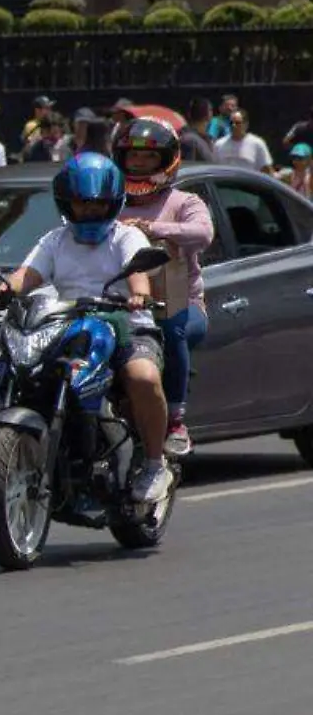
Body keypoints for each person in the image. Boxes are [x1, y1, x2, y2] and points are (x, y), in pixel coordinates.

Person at [0, 153, 174, 503]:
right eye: (82, 203)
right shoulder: (55, 240)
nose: (90, 211)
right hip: (69, 326)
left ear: (112, 203)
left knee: (143, 377)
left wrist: (138, 296)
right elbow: (26, 276)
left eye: (97, 204)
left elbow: (139, 277)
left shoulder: (126, 238)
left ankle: (156, 463)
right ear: (67, 203)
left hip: (127, 325)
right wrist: (2, 292)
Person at [114, 117, 215, 459]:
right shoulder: (109, 202)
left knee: (171, 328)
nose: (139, 164)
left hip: (181, 304)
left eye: (148, 158)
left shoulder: (185, 202)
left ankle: (175, 420)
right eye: (133, 157)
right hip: (120, 306)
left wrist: (153, 228)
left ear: (166, 161)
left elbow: (203, 234)